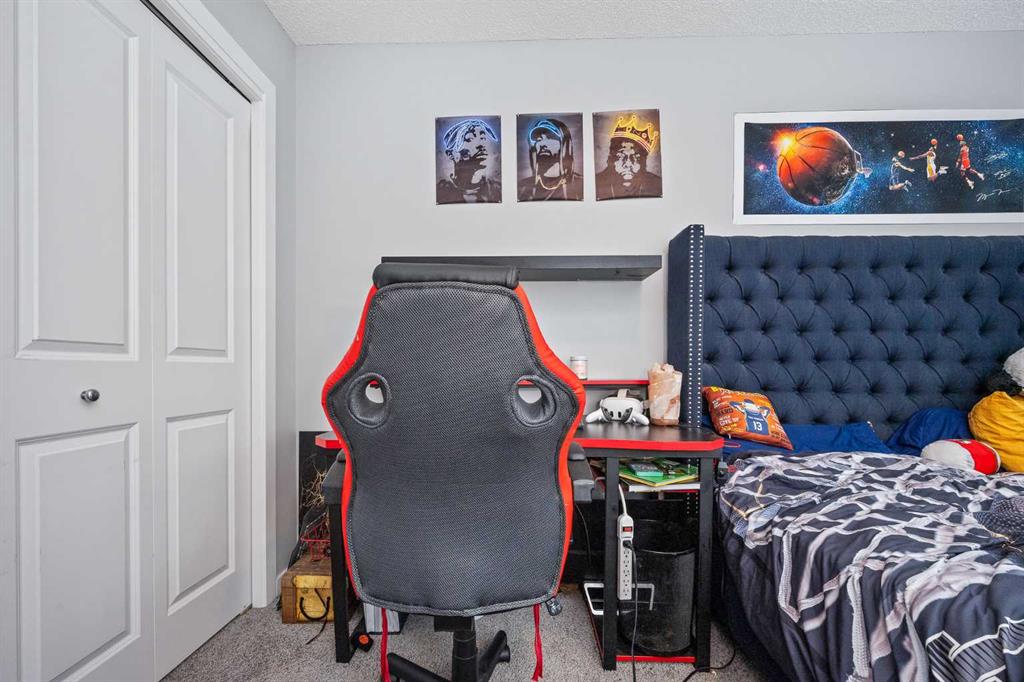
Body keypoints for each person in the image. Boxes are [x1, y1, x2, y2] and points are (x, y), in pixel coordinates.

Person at [594, 113, 662, 199]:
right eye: (621, 156)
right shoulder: (597, 184)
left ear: (644, 163)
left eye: (636, 158)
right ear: (610, 159)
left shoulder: (657, 185)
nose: (628, 164)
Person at [436, 118, 501, 203]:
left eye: (483, 138)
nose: (481, 145)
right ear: (451, 154)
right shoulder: (441, 192)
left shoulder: (497, 190)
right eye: (470, 139)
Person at [518, 118, 583, 201]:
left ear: (564, 145)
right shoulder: (522, 188)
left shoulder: (581, 185)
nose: (542, 144)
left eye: (550, 137)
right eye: (539, 140)